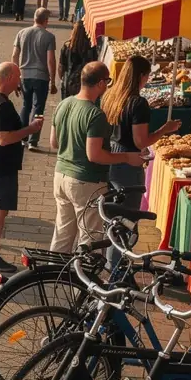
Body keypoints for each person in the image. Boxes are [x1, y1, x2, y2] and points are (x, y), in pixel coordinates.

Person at [48, 61, 145, 253]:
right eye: (107, 81)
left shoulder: (64, 103)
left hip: (60, 175)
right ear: (101, 83)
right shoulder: (95, 115)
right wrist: (127, 158)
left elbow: (54, 142)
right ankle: (85, 280)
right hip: (86, 181)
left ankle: (52, 274)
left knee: (63, 232)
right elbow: (95, 155)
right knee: (89, 236)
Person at [0, 63, 44, 274]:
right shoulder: (3, 106)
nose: (19, 81)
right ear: (9, 76)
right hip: (1, 165)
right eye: (18, 76)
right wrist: (30, 129)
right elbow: (3, 139)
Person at [100, 55, 181, 229]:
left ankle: (109, 254)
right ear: (141, 76)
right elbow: (140, 141)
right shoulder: (138, 103)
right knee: (126, 220)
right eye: (147, 76)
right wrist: (164, 130)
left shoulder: (110, 96)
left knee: (110, 215)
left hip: (109, 155)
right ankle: (116, 256)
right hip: (128, 161)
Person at [11, 8, 57, 151]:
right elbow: (51, 60)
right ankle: (33, 140)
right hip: (41, 77)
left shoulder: (22, 33)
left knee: (26, 106)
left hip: (24, 75)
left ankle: (22, 137)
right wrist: (53, 81)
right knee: (38, 109)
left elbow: (14, 56)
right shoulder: (49, 37)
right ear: (46, 21)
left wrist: (16, 77)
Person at [59, 21, 100, 98]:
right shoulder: (91, 46)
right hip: (87, 82)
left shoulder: (67, 46)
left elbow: (61, 66)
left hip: (70, 82)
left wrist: (61, 78)